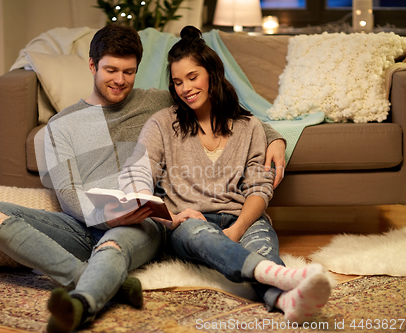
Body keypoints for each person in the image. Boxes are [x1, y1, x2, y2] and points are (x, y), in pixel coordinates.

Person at [0, 24, 287, 332]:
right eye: (111, 70)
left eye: (129, 72)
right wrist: (107, 217)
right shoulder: (61, 125)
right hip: (85, 222)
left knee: (114, 242)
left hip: (139, 222)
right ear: (91, 65)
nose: (119, 80)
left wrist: (274, 138)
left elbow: (218, 105)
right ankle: (100, 280)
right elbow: (70, 197)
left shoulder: (154, 102)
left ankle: (83, 302)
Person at [118, 26, 331, 323]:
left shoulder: (250, 127)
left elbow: (259, 189)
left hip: (242, 216)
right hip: (190, 223)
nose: (185, 88)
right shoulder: (162, 124)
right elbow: (138, 175)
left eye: (193, 77)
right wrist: (168, 218)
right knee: (197, 232)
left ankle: (285, 299)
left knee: (261, 239)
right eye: (178, 82)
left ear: (212, 75)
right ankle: (278, 275)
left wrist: (238, 229)